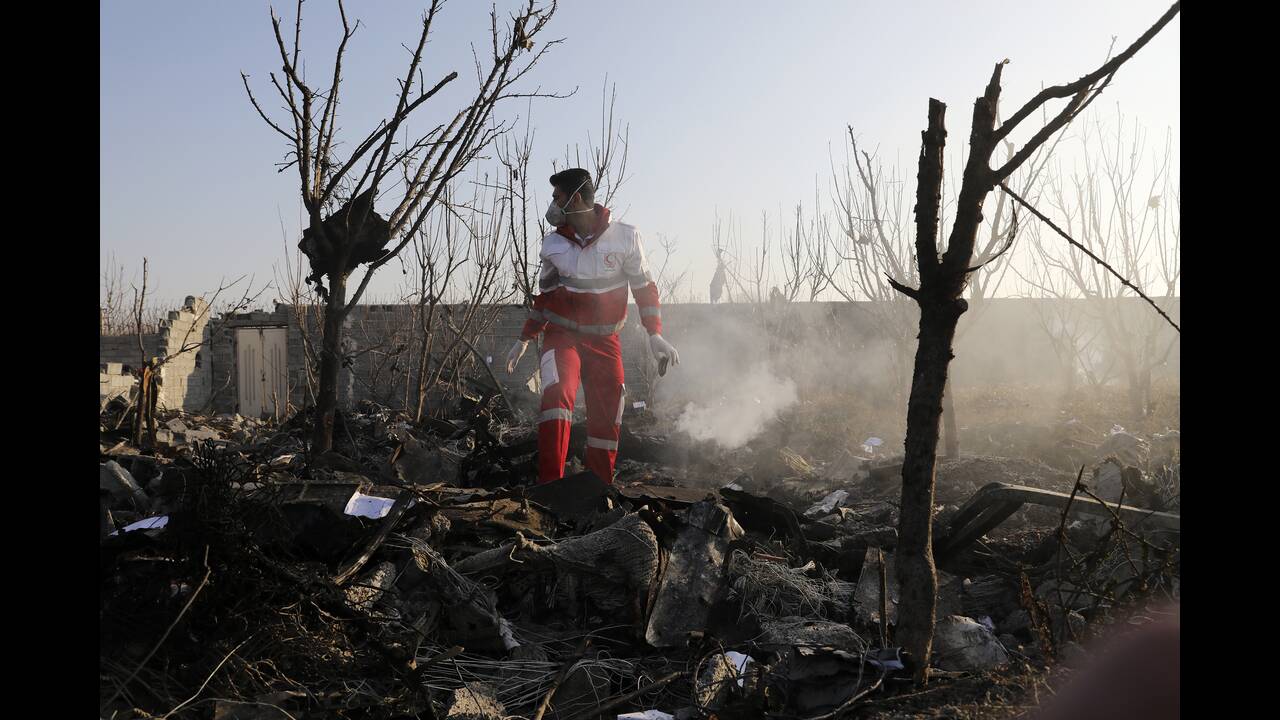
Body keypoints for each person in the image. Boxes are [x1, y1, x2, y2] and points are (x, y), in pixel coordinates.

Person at [505, 168, 679, 484]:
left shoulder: (626, 237)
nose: (553, 205)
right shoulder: (553, 245)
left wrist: (654, 333)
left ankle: (598, 489)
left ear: (577, 197)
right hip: (562, 337)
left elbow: (644, 287)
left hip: (605, 340)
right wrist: (525, 338)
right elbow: (544, 298)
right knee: (557, 397)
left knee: (610, 409)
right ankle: (551, 488)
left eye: (558, 197)